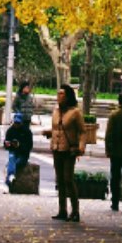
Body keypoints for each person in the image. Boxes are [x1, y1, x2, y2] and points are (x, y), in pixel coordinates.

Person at [49, 82, 89, 222]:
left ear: (67, 97)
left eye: (62, 94)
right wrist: (49, 134)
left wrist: (81, 146)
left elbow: (83, 131)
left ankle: (75, 210)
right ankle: (62, 210)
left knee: (68, 179)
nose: (58, 96)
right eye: (58, 93)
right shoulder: (55, 110)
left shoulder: (75, 112)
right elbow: (55, 128)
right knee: (59, 180)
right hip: (56, 148)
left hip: (69, 149)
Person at [104, 89, 122, 212]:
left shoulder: (114, 115)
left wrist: (108, 149)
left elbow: (109, 133)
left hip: (115, 151)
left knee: (115, 177)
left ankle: (115, 202)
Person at [3, 104, 33, 190]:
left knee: (15, 163)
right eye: (15, 122)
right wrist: (7, 144)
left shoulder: (27, 132)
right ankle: (11, 177)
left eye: (18, 123)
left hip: (23, 154)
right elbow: (6, 143)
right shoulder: (10, 130)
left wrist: (19, 145)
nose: (16, 124)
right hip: (13, 151)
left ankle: (8, 180)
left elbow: (29, 146)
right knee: (12, 158)